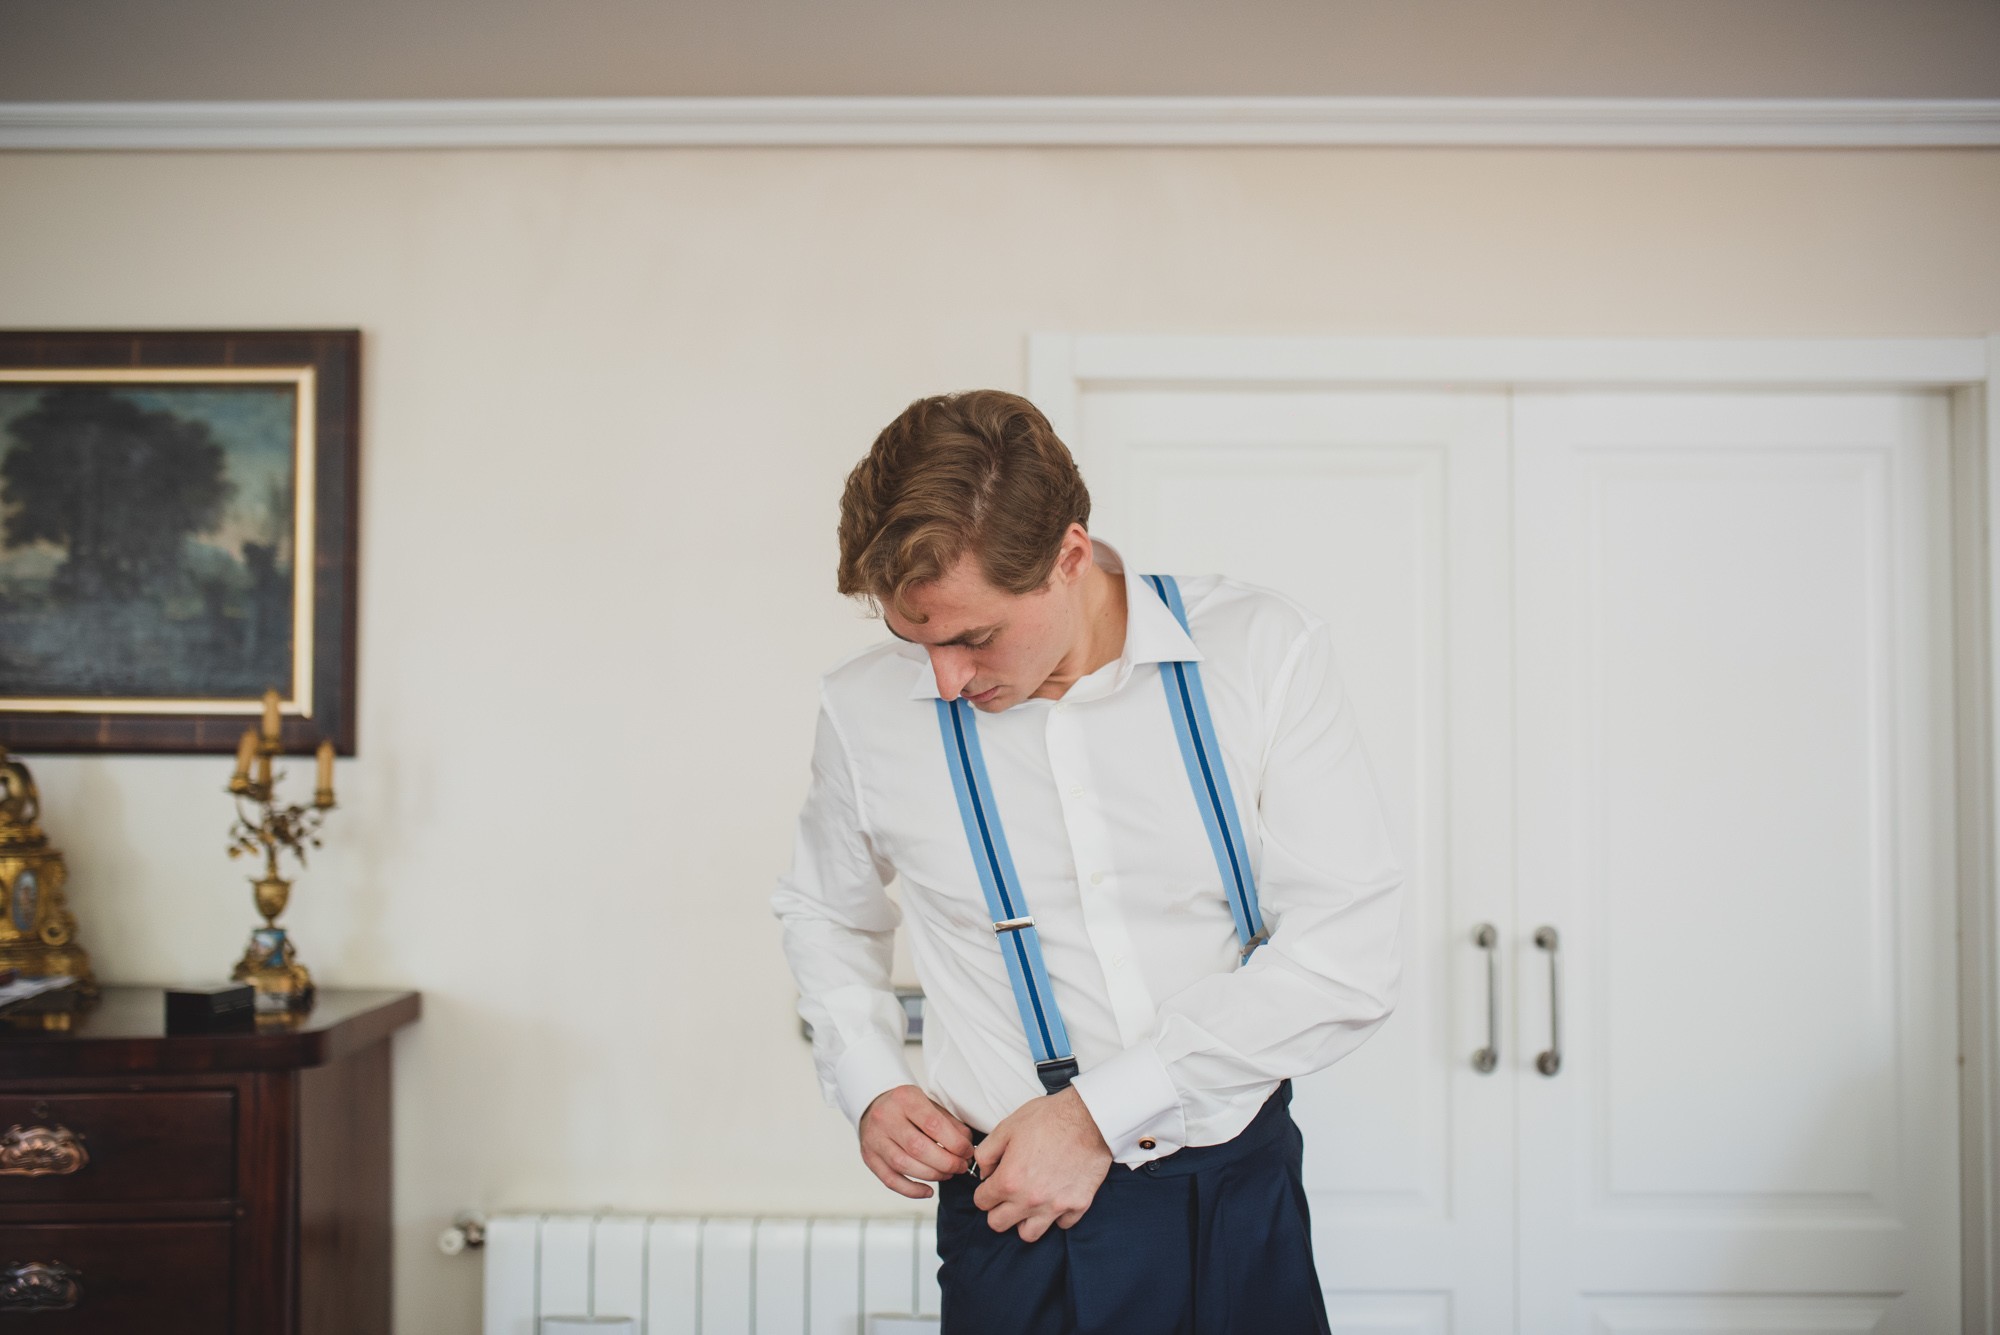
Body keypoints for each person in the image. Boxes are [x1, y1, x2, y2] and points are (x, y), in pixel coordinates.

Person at [770, 389, 1404, 1334]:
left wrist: (1095, 1115)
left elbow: (1344, 957)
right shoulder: (864, 713)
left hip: (1234, 1203)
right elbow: (825, 910)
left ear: (1069, 556)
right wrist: (867, 1076)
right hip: (1018, 1228)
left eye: (974, 637)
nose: (943, 680)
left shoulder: (1261, 655)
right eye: (917, 641)